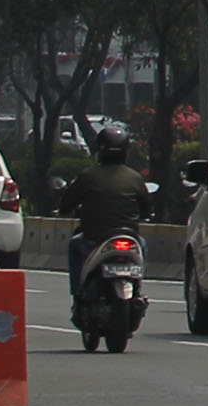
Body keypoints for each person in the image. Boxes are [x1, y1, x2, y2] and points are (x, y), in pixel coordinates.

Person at [61, 129, 152, 306]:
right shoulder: (134, 178)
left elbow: (66, 204)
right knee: (143, 244)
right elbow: (147, 208)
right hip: (129, 237)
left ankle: (78, 294)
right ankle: (138, 288)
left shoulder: (88, 176)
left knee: (74, 244)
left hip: (94, 239)